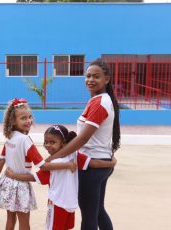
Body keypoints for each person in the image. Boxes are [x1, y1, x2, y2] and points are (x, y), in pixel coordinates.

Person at [46, 58, 121, 230]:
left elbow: (82, 139)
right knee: (97, 211)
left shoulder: (100, 103)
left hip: (92, 168)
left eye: (96, 76)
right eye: (88, 76)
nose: (90, 80)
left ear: (106, 79)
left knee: (88, 216)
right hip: (99, 164)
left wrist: (54, 157)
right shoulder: (100, 100)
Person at [5, 125, 117, 230]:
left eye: (52, 142)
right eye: (46, 142)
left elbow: (33, 177)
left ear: (63, 143)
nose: (48, 145)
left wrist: (13, 175)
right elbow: (93, 163)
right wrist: (111, 163)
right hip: (69, 203)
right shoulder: (74, 155)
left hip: (57, 204)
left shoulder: (54, 163)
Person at [0, 98, 76, 230]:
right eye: (23, 118)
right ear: (13, 121)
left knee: (10, 219)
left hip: (7, 182)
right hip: (20, 186)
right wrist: (67, 165)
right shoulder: (25, 140)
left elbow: (2, 160)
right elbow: (42, 165)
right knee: (24, 222)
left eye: (30, 117)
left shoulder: (10, 137)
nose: (28, 121)